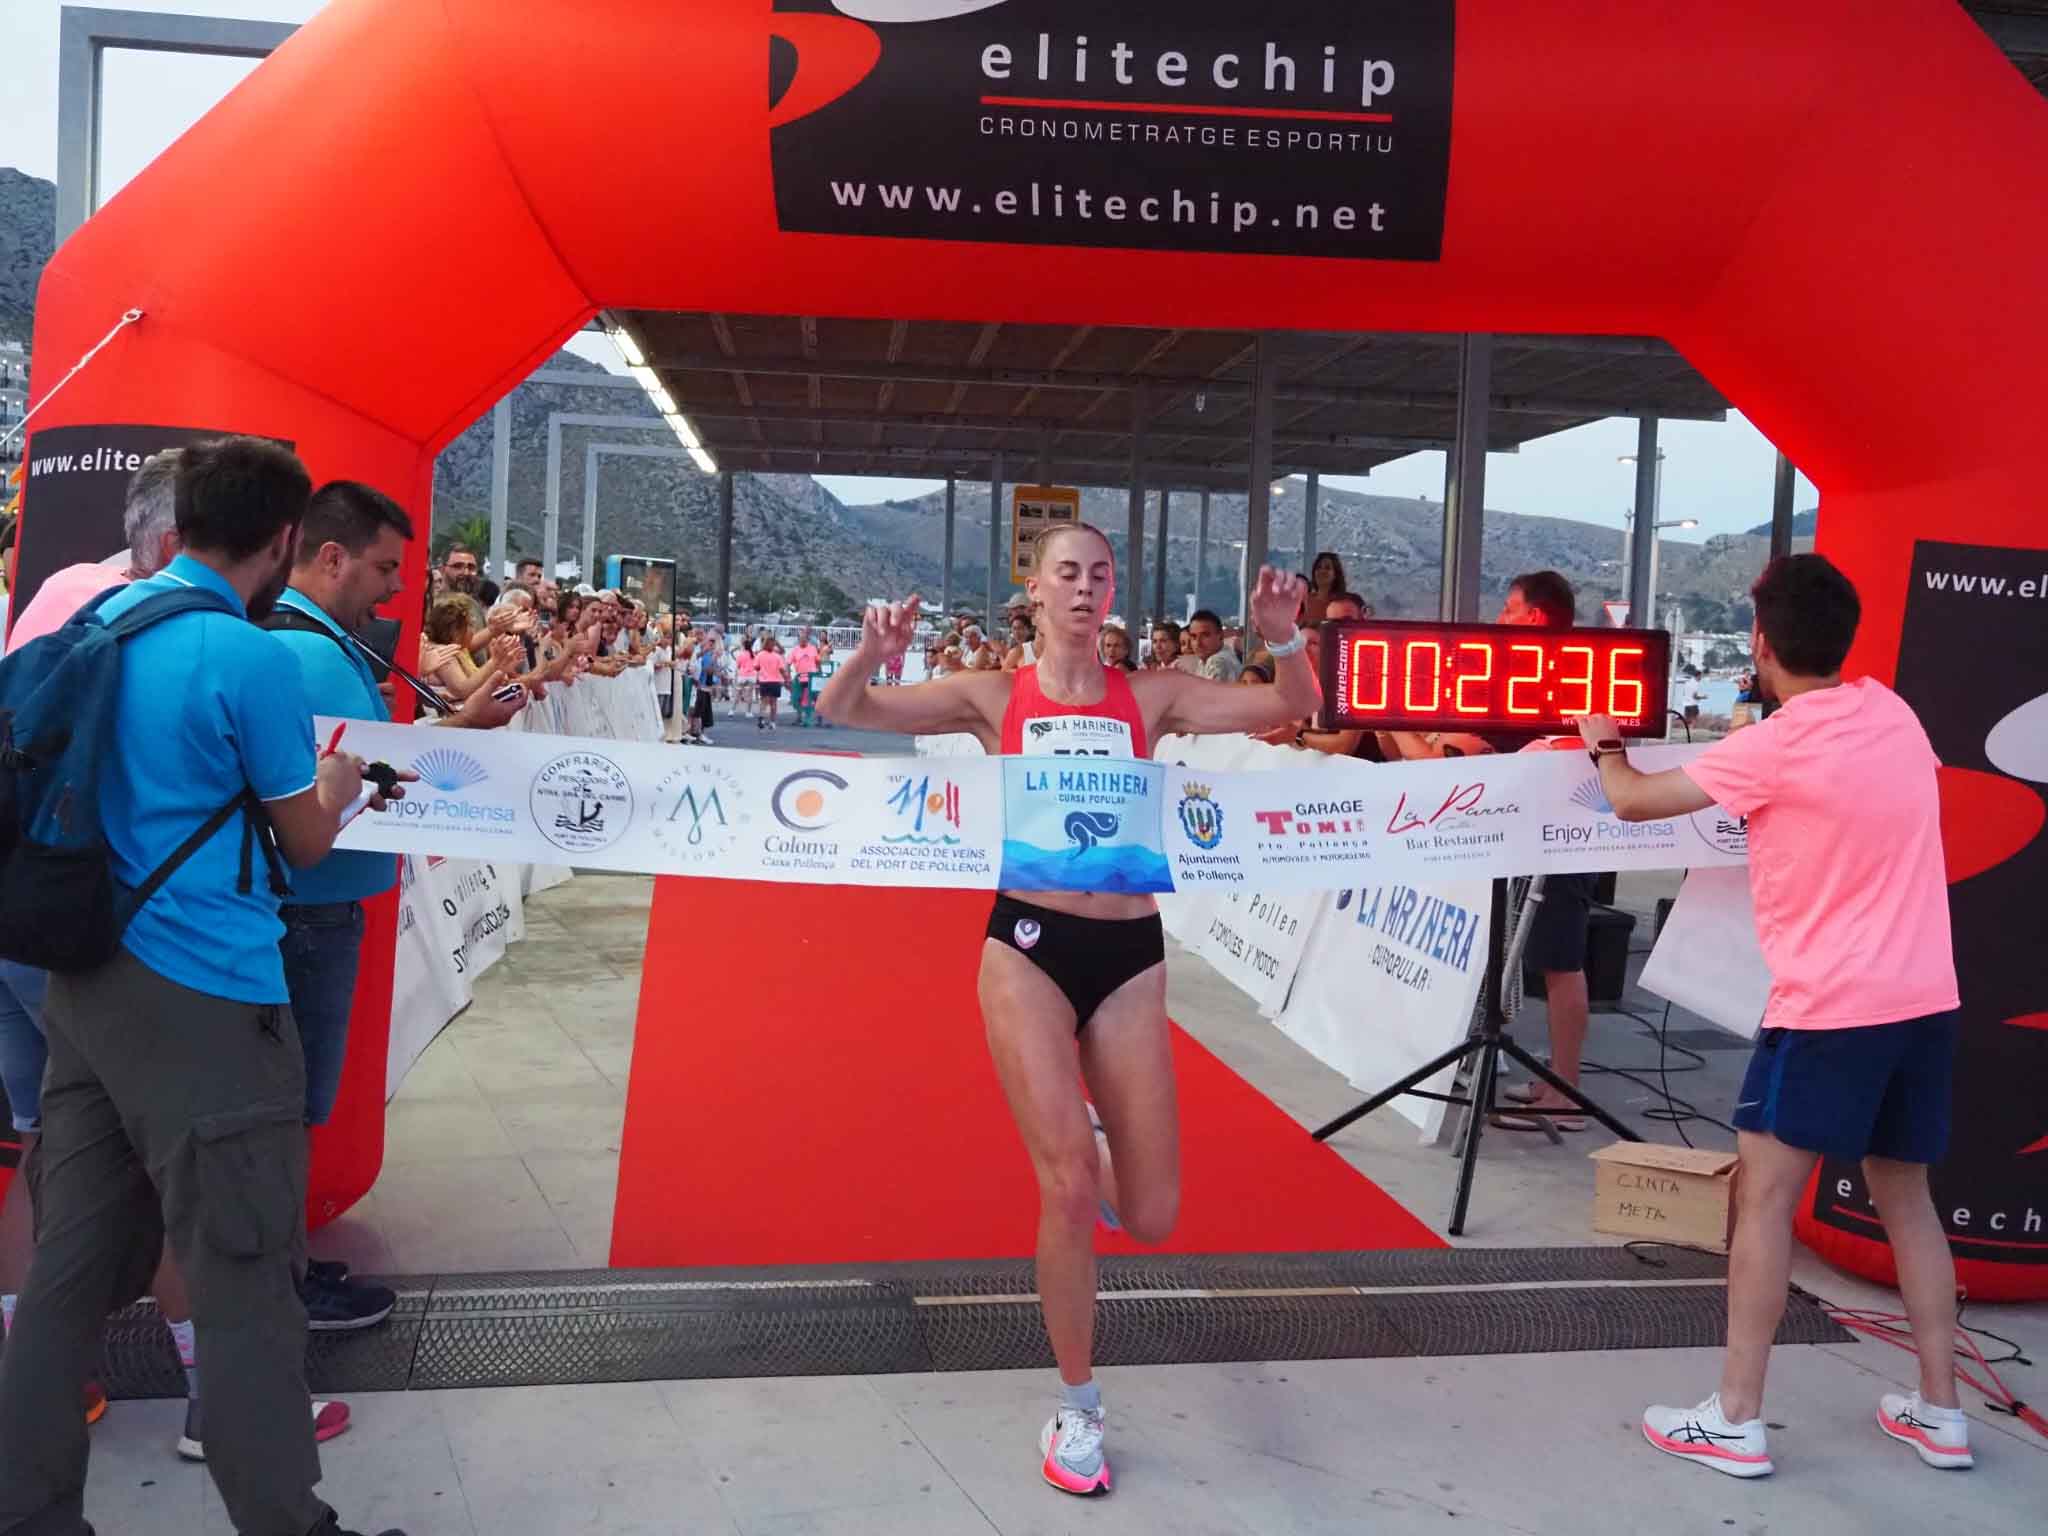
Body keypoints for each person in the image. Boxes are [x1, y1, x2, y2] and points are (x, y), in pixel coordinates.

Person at [817, 525, 1315, 1498]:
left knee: (1154, 1216)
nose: (1085, 589)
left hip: (1129, 958)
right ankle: (1077, 1406)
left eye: (1099, 574)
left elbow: (1293, 706)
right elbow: (844, 709)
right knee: (1069, 1188)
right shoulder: (993, 696)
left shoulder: (1152, 695)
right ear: (1036, 591)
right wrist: (872, 655)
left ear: (1111, 591)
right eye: (1067, 574)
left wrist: (1282, 635)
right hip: (1027, 948)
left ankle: (1087, 1141)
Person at [0, 437, 408, 1536]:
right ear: (284, 540)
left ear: (179, 523)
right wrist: (338, 783)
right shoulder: (245, 655)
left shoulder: (102, 622)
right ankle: (286, 1521)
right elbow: (304, 840)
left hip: (84, 984)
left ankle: (32, 1512)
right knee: (244, 1275)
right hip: (208, 994)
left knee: (68, 1271)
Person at [1574, 554, 1967, 1479]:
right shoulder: (1895, 714)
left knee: (1763, 1202)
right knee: (1909, 1200)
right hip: (1925, 999)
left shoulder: (1774, 745)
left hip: (1830, 1009)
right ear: (1846, 638)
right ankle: (1942, 1412)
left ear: (1758, 643)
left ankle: (1736, 1419)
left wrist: (1603, 744)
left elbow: (1631, 801)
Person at [0, 448, 190, 1433]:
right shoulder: (161, 626)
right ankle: (218, 1405)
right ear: (179, 539)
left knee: (43, 1145)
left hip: (13, 910)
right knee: (177, 1162)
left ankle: (44, 1379)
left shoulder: (62, 588)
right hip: (83, 929)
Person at [1177, 609, 1241, 684]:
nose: (1198, 643)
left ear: (1220, 636)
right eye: (1194, 637)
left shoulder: (1217, 661)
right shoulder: (1207, 658)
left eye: (1205, 635)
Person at [1303, 551, 1348, 627]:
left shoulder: (1343, 604)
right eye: (1318, 567)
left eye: (1327, 568)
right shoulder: (1305, 600)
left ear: (1335, 574)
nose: (1322, 571)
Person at [753, 633, 788, 730]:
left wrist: (763, 669)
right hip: (775, 681)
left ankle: (762, 718)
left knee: (764, 701)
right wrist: (786, 679)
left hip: (764, 681)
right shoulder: (777, 656)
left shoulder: (760, 655)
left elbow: (756, 667)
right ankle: (772, 722)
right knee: (773, 703)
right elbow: (782, 670)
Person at [788, 626, 822, 722]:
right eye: (800, 639)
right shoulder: (795, 650)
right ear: (798, 640)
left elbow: (818, 661)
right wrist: (788, 675)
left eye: (804, 639)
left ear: (807, 640)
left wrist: (820, 673)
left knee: (815, 697)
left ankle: (819, 716)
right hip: (800, 677)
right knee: (796, 698)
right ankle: (799, 717)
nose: (802, 641)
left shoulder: (813, 648)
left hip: (812, 677)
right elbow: (788, 663)